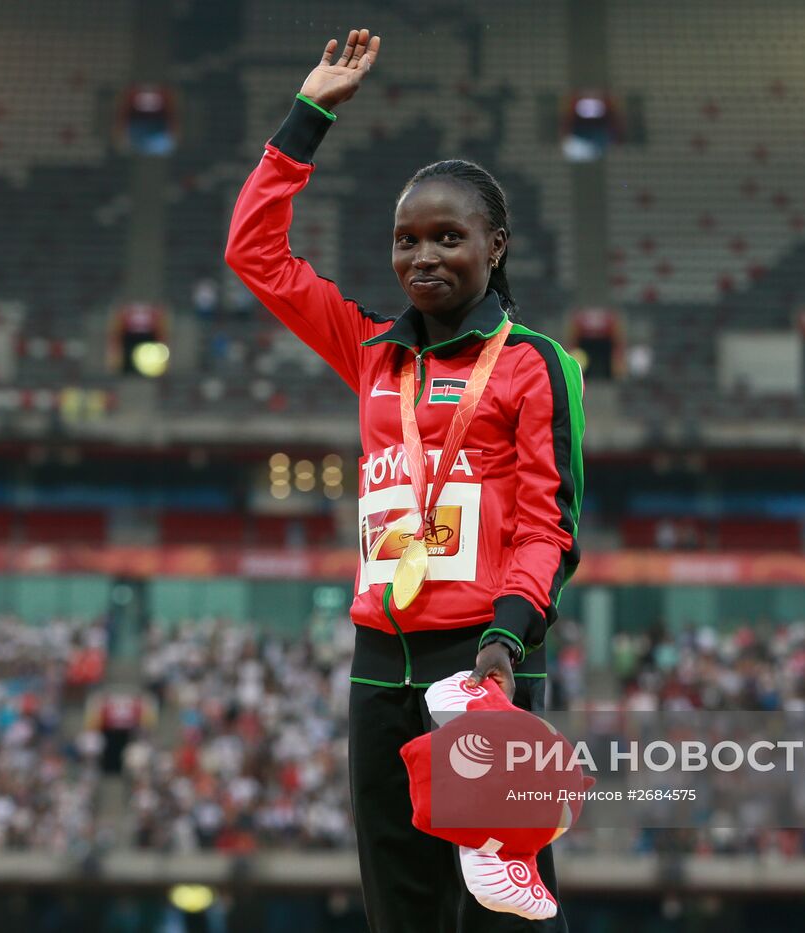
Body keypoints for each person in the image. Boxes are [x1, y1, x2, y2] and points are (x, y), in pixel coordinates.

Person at [225, 28, 584, 933]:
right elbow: (254, 256)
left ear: (494, 247)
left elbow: (549, 522)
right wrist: (308, 118)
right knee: (402, 907)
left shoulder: (535, 364)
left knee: (506, 905)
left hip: (484, 661)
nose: (422, 257)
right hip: (379, 664)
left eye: (448, 238)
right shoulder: (373, 352)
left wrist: (509, 638)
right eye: (405, 240)